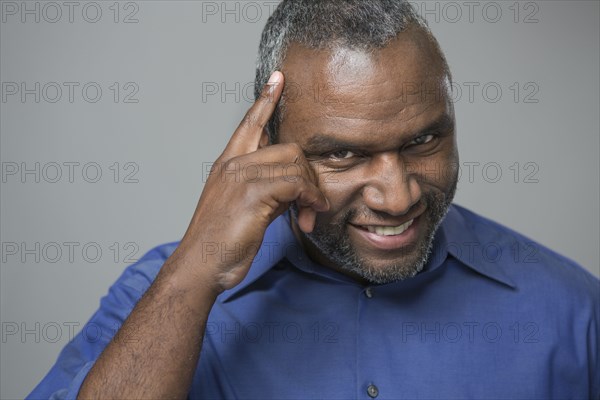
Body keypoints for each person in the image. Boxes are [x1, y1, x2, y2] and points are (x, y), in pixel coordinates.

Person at [29, 1, 599, 399]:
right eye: (343, 156)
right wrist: (194, 273)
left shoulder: (572, 312)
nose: (397, 196)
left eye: (423, 140)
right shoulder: (161, 292)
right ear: (269, 147)